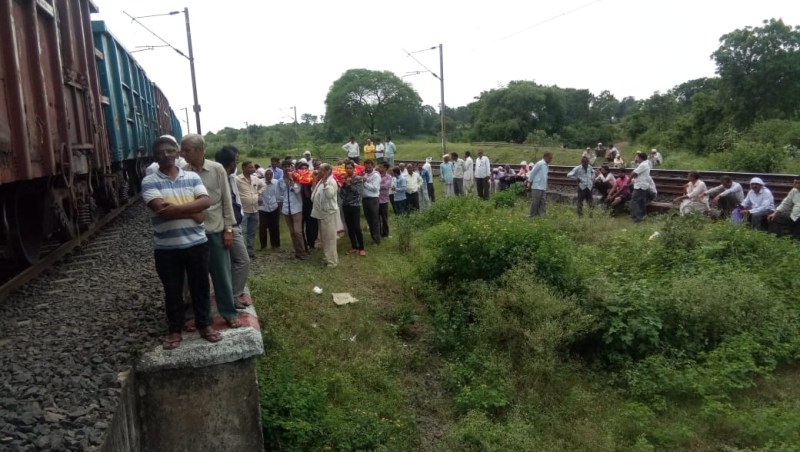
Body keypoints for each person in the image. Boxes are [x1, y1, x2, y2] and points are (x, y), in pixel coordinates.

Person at [143, 136, 219, 350]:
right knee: (173, 291)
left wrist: (176, 208)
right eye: (160, 152)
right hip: (167, 249)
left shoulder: (192, 176)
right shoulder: (149, 181)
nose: (165, 155)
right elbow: (161, 210)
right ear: (154, 157)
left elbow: (206, 202)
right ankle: (175, 330)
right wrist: (194, 210)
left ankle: (205, 325)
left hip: (197, 244)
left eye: (170, 151)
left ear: (177, 153)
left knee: (201, 287)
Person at [180, 134, 241, 329]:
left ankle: (228, 313)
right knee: (195, 278)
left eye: (186, 150)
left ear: (199, 150)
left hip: (215, 230)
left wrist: (228, 229)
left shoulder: (217, 169)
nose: (182, 154)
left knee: (221, 275)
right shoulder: (182, 172)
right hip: (192, 232)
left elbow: (226, 200)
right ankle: (198, 315)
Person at [215, 147, 252, 309]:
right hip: (229, 226)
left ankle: (231, 293)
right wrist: (228, 229)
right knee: (243, 260)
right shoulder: (221, 178)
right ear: (231, 163)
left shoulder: (229, 176)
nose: (237, 162)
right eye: (236, 160)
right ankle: (233, 296)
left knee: (232, 262)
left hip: (234, 224)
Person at [311, 163, 340, 267]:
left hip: (328, 213)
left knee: (330, 238)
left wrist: (325, 183)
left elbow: (329, 195)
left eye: (321, 170)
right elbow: (313, 191)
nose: (318, 171)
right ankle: (327, 257)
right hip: (321, 213)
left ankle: (332, 261)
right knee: (324, 237)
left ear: (327, 171)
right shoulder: (322, 180)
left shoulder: (331, 181)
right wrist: (316, 180)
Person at [236, 160, 266, 258]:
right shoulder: (237, 179)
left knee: (252, 232)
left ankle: (250, 251)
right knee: (243, 232)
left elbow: (263, 185)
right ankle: (243, 253)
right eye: (250, 167)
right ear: (244, 168)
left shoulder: (255, 178)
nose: (253, 169)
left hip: (254, 209)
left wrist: (258, 193)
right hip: (243, 210)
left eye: (253, 167)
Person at [277, 160, 306, 259]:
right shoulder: (280, 181)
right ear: (282, 168)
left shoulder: (297, 178)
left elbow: (297, 191)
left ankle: (302, 251)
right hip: (286, 208)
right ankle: (297, 251)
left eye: (289, 166)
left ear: (292, 167)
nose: (287, 168)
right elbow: (279, 195)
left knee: (298, 231)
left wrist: (292, 180)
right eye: (285, 166)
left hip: (296, 208)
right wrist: (282, 202)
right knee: (292, 232)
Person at [341, 161, 366, 255]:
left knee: (357, 227)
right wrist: (343, 185)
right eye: (347, 168)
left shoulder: (358, 179)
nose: (348, 170)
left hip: (355, 206)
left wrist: (350, 185)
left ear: (353, 169)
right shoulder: (343, 178)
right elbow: (341, 194)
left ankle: (361, 248)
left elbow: (358, 192)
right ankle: (354, 247)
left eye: (350, 168)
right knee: (350, 227)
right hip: (345, 205)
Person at [297, 161, 318, 253]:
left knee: (310, 225)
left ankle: (311, 243)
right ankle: (303, 244)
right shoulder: (297, 180)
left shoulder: (310, 179)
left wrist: (312, 180)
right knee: (300, 227)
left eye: (306, 168)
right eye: (302, 169)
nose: (304, 170)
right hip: (299, 206)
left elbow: (314, 191)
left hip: (309, 205)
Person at [258, 168, 281, 250]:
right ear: (264, 175)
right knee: (262, 227)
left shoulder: (276, 182)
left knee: (274, 226)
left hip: (274, 206)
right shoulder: (260, 182)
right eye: (267, 174)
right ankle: (263, 246)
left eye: (270, 174)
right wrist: (258, 199)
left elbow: (278, 193)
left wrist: (277, 202)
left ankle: (275, 245)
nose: (268, 176)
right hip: (263, 207)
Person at [629, 151, 654, 223]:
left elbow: (633, 173)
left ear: (640, 158)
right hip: (643, 186)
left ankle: (637, 218)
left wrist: (628, 181)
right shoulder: (645, 164)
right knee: (641, 201)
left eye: (637, 157)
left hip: (640, 186)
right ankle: (642, 216)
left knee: (634, 201)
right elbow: (636, 174)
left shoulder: (643, 165)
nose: (636, 159)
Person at [361, 159, 382, 245]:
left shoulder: (376, 175)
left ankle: (377, 240)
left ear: (373, 166)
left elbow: (375, 188)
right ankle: (373, 237)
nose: (368, 169)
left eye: (369, 167)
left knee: (374, 220)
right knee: (369, 219)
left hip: (373, 199)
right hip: (365, 199)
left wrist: (365, 183)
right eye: (366, 167)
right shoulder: (364, 174)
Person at [527, 152, 552, 218]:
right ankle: (532, 215)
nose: (551, 160)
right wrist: (529, 182)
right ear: (546, 157)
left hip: (543, 187)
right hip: (537, 186)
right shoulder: (540, 163)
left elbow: (545, 176)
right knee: (535, 202)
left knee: (543, 202)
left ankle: (541, 215)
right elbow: (532, 173)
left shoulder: (546, 166)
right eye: (550, 158)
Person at [378, 162, 392, 237]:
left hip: (384, 200)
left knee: (384, 218)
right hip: (375, 200)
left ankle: (385, 234)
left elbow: (386, 186)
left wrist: (377, 185)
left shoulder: (388, 177)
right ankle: (379, 233)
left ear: (385, 168)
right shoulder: (376, 175)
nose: (379, 168)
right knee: (377, 218)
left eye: (381, 167)